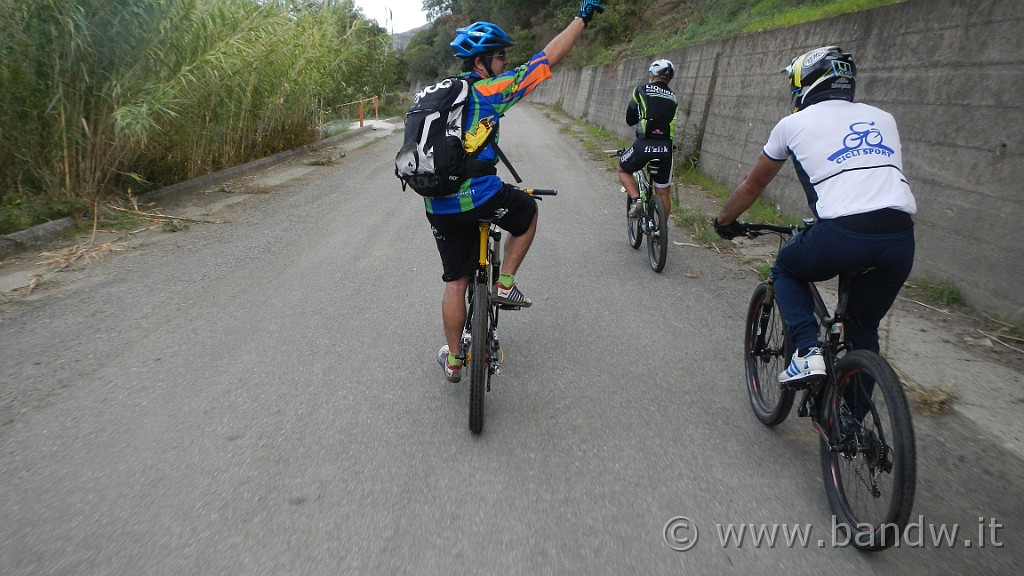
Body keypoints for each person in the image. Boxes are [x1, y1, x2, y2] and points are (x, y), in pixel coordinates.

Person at [713, 46, 916, 384]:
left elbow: (752, 186)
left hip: (842, 233)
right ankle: (850, 427)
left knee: (786, 269)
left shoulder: (792, 125)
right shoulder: (883, 118)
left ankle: (807, 353)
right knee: (862, 329)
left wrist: (723, 222)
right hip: (899, 238)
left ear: (805, 82)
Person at [431, 1, 606, 383]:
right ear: (480, 63)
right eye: (499, 57)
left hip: (437, 202)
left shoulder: (441, 96)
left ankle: (455, 362)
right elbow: (547, 58)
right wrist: (582, 18)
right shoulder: (489, 91)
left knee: (455, 282)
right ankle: (503, 284)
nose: (505, 63)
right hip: (479, 194)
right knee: (527, 212)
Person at [619, 59, 678, 219]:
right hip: (665, 148)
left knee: (623, 169)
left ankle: (636, 200)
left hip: (643, 144)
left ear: (652, 75)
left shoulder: (641, 90)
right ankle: (660, 231)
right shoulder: (673, 97)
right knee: (664, 192)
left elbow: (630, 118)